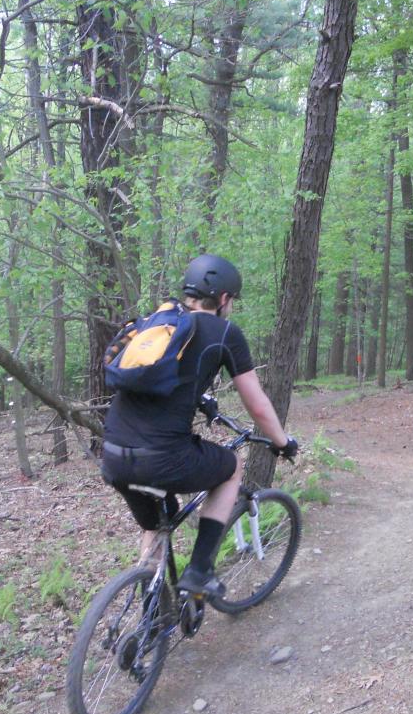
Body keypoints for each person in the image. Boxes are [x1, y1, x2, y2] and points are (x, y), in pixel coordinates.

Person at [100, 254, 297, 598]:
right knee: (231, 467)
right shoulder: (225, 333)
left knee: (157, 524)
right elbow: (258, 404)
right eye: (232, 300)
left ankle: (150, 616)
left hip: (114, 455)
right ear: (223, 299)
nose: (231, 307)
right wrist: (282, 442)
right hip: (162, 456)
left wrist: (199, 399)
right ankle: (201, 571)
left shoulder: (157, 325)